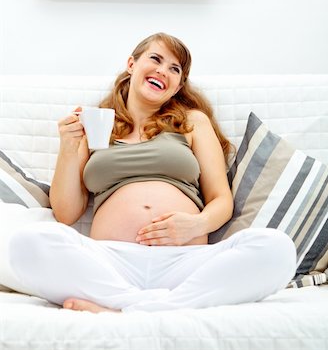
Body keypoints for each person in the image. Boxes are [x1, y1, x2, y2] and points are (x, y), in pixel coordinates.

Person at [8, 32, 296, 313]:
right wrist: (69, 147)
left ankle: (121, 307)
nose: (163, 71)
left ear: (178, 85)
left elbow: (221, 198)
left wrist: (196, 225)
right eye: (155, 59)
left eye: (175, 69)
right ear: (132, 65)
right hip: (111, 263)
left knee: (277, 248)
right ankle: (164, 306)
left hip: (186, 260)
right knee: (27, 243)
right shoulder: (97, 126)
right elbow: (66, 213)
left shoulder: (193, 122)